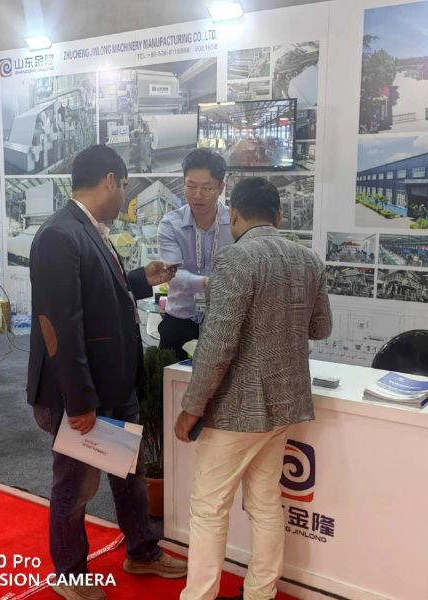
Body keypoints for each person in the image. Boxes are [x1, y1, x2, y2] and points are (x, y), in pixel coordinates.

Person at [27, 144, 188, 600]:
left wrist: (141, 279)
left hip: (113, 384)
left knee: (129, 475)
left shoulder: (87, 229)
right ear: (111, 181)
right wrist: (79, 402)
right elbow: (60, 327)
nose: (125, 198)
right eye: (125, 187)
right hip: (82, 393)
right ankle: (70, 574)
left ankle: (141, 550)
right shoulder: (59, 235)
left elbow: (97, 295)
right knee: (76, 486)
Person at [173, 177, 333, 600]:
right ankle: (260, 593)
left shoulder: (234, 259)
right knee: (265, 503)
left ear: (235, 215)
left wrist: (192, 406)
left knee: (208, 508)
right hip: (285, 405)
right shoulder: (309, 260)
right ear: (278, 217)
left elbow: (217, 343)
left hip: (236, 409)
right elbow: (322, 327)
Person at [157, 149, 234, 359]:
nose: (198, 195)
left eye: (207, 188)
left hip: (224, 323)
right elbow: (172, 273)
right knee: (173, 377)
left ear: (221, 187)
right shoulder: (170, 224)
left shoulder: (234, 223)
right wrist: (205, 283)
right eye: (191, 187)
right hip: (180, 321)